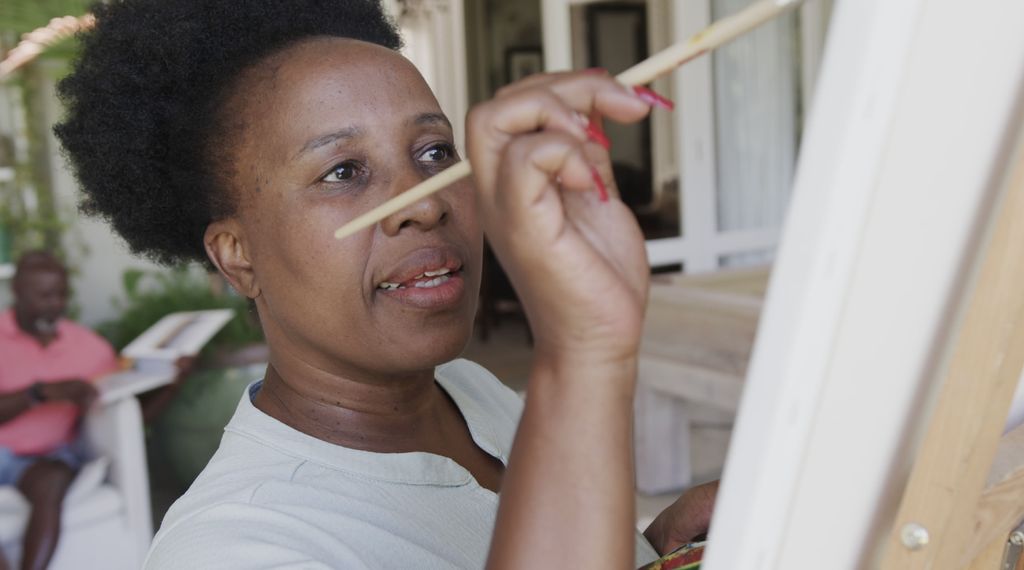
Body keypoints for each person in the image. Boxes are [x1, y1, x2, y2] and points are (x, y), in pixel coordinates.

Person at [54, 0, 717, 567]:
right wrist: (581, 357)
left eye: (433, 153)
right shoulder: (236, 546)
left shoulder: (469, 392)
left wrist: (654, 546)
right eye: (343, 171)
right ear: (238, 256)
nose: (425, 202)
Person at [0, 251, 110, 570]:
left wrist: (172, 383)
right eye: (44, 295)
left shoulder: (92, 349)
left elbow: (126, 417)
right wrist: (41, 393)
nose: (55, 304)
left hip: (44, 460)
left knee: (53, 480)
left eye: (61, 294)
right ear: (17, 292)